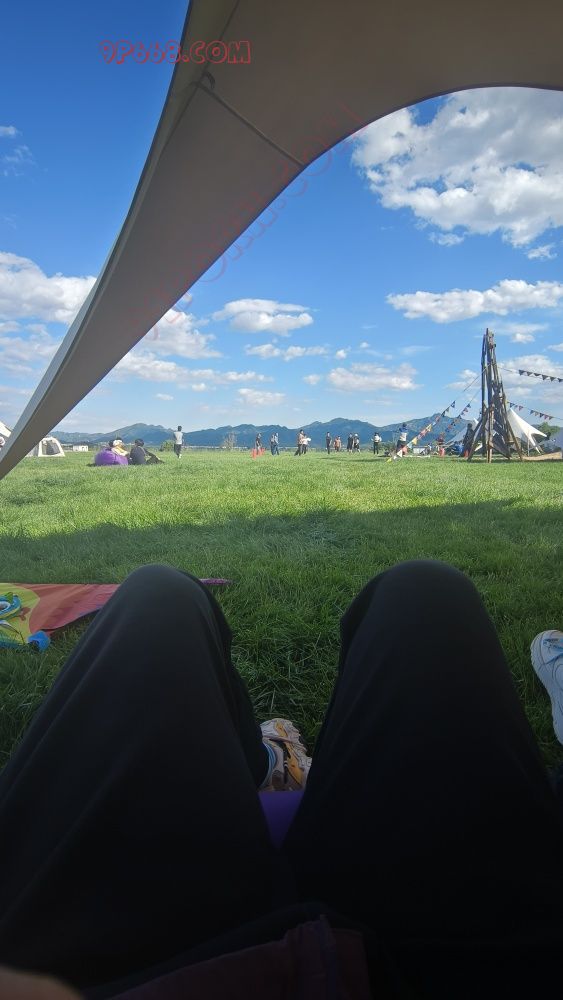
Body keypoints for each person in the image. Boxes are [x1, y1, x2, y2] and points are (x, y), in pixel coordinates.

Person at [1, 561, 562, 999]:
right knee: (426, 594)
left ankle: (260, 762)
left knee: (158, 595)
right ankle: (263, 762)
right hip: (475, 966)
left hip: (90, 964)